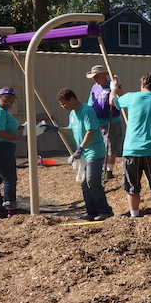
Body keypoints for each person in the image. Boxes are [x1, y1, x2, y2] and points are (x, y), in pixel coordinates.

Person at [110, 73, 151, 217]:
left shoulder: (131, 97)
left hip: (132, 150)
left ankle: (134, 215)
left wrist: (113, 89)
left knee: (132, 187)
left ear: (142, 85)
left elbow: (112, 102)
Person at [57, 88, 113, 221]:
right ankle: (91, 212)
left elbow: (91, 131)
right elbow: (70, 130)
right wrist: (55, 129)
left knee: (92, 181)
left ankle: (105, 210)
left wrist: (80, 148)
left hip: (94, 151)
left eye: (64, 103)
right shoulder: (72, 114)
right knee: (84, 183)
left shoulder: (87, 111)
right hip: (83, 152)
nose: (63, 107)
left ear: (72, 99)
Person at [0, 87, 28, 216]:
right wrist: (22, 138)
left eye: (12, 102)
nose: (9, 104)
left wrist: (21, 127)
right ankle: (10, 206)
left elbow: (7, 127)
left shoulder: (1, 109)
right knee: (9, 177)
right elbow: (0, 133)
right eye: (7, 101)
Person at [86, 64, 124, 180]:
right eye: (93, 77)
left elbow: (122, 99)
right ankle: (102, 168)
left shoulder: (112, 86)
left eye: (96, 76)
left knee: (110, 145)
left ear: (103, 75)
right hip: (97, 122)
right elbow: (90, 103)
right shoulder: (94, 88)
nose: (94, 79)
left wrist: (116, 88)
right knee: (100, 145)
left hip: (111, 121)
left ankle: (108, 170)